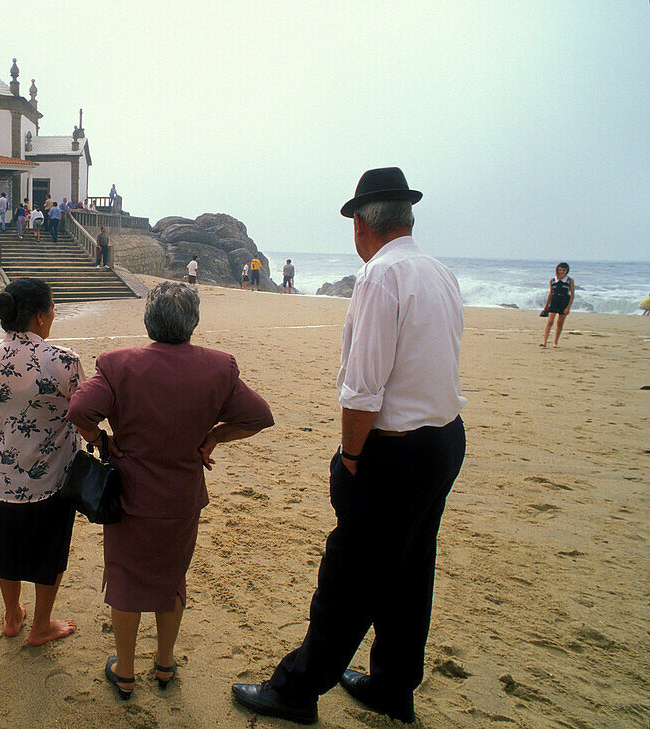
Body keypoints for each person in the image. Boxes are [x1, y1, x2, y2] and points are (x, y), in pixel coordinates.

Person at [232, 167, 467, 725]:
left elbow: (363, 388)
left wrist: (351, 457)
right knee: (411, 567)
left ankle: (297, 689)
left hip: (397, 449)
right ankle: (393, 684)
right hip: (445, 440)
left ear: (362, 224)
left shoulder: (380, 276)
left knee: (349, 572)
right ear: (405, 218)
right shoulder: (439, 271)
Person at [68, 281, 273, 700]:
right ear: (193, 322)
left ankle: (124, 671)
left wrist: (102, 440)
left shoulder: (117, 363)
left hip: (130, 492)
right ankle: (164, 664)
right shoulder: (220, 367)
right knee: (171, 577)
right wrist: (216, 435)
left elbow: (78, 411)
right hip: (182, 496)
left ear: (149, 319)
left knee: (125, 576)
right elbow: (259, 417)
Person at [0, 278, 83, 646]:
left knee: (6, 545)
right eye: (51, 309)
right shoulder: (63, 360)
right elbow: (85, 410)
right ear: (39, 317)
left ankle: (11, 614)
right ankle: (41, 625)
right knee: (48, 549)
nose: (53, 315)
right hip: (51, 472)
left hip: (2, 469)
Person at [540, 262, 575, 348]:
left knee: (560, 323)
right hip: (554, 301)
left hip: (564, 302)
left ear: (567, 271)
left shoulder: (569, 280)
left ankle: (555, 342)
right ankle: (544, 342)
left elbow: (572, 294)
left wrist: (568, 308)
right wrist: (546, 306)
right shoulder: (552, 280)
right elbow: (551, 293)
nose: (561, 271)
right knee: (550, 322)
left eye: (564, 270)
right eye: (560, 270)